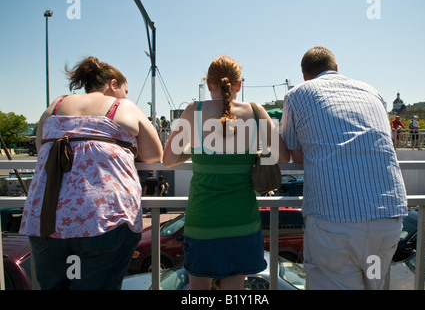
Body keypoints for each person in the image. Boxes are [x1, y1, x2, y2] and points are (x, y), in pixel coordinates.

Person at [19, 56, 163, 290]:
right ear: (113, 85)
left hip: (45, 219)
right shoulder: (122, 106)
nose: (126, 96)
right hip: (103, 219)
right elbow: (154, 155)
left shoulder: (55, 106)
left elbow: (40, 149)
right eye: (125, 90)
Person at [282, 47, 408, 290]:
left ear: (305, 76)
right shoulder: (372, 91)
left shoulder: (298, 94)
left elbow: (296, 154)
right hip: (387, 221)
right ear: (336, 69)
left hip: (335, 224)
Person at [163, 56, 290, 290]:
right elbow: (283, 156)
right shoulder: (255, 111)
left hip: (202, 222)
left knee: (199, 290)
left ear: (209, 84)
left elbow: (168, 159)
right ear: (238, 85)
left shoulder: (194, 110)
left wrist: (196, 150)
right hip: (243, 222)